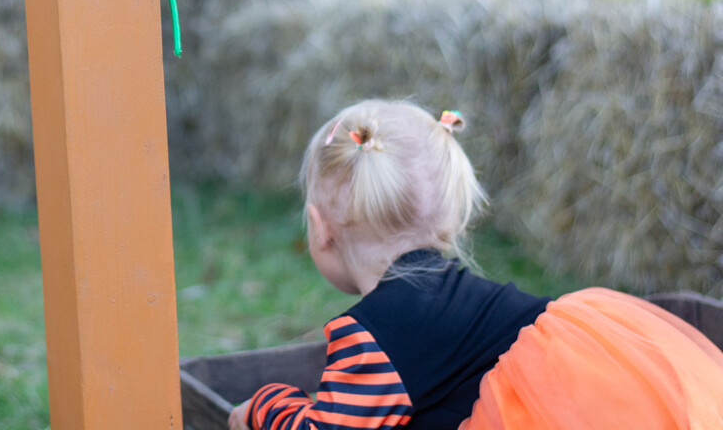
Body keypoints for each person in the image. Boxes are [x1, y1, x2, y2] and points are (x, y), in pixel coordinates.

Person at [229, 99, 723, 430]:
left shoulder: (373, 335)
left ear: (320, 229)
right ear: (447, 225)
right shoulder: (463, 304)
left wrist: (262, 407)